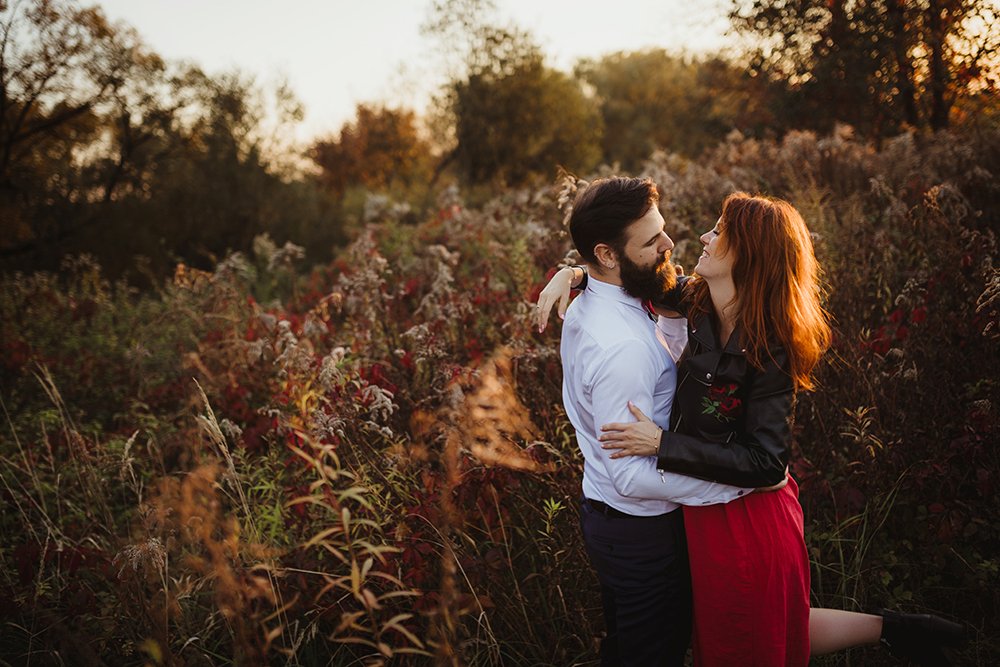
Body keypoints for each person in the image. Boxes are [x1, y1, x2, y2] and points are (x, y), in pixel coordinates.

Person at [536, 181, 965, 666]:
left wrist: (663, 443)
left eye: (719, 232)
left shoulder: (771, 348)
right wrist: (573, 273)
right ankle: (898, 629)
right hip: (698, 506)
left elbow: (767, 463)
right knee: (751, 625)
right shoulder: (696, 302)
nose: (699, 236)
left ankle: (900, 630)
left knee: (751, 633)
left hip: (746, 511)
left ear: (748, 256)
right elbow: (621, 272)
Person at [553, 176, 784, 666]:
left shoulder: (625, 298)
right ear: (610, 255)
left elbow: (671, 290)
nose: (670, 243)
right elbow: (630, 475)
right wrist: (731, 492)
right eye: (651, 239)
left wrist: (576, 273)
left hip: (611, 516)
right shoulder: (624, 347)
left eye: (662, 229)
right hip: (641, 532)